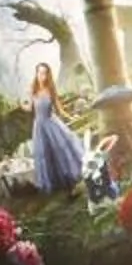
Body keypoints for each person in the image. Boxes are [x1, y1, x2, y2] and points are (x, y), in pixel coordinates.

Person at [27, 63, 89, 196]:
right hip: (39, 126)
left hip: (51, 123)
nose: (41, 76)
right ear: (36, 73)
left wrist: (70, 116)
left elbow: (59, 108)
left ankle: (69, 183)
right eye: (39, 73)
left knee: (61, 150)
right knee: (45, 154)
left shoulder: (50, 90)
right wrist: (23, 106)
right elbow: (31, 108)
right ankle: (56, 184)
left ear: (47, 75)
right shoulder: (33, 90)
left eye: (44, 73)